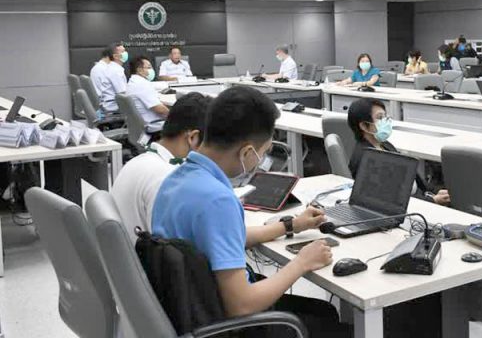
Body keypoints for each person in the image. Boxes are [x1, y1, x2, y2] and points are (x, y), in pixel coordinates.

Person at [152, 86, 349, 336]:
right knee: (336, 330)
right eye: (263, 153)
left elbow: (222, 238)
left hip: (193, 308)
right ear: (246, 152)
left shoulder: (177, 179)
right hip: (224, 324)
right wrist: (301, 262)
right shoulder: (217, 200)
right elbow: (241, 305)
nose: (260, 160)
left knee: (324, 311)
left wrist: (290, 225)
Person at [112, 92, 211, 243]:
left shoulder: (136, 162)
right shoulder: (169, 179)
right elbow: (178, 246)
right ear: (193, 138)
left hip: (127, 252)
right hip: (147, 255)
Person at [346, 98, 450, 206]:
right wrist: (432, 200)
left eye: (385, 116)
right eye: (380, 117)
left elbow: (413, 177)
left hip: (420, 196)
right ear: (364, 126)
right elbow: (392, 199)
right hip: (413, 206)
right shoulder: (365, 159)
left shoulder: (385, 145)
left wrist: (434, 192)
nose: (385, 121)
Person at [127, 56, 170, 124]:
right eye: (149, 67)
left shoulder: (132, 82)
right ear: (139, 70)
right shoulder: (142, 85)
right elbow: (161, 110)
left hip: (139, 124)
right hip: (153, 123)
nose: (152, 70)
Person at [100, 42, 128, 113]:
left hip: (110, 105)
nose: (126, 53)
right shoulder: (116, 71)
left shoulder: (112, 68)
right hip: (114, 107)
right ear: (115, 56)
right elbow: (123, 94)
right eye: (123, 52)